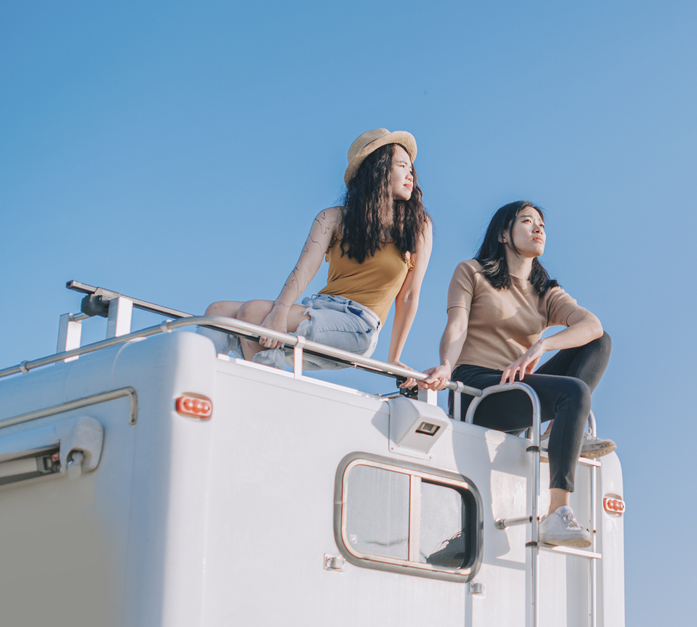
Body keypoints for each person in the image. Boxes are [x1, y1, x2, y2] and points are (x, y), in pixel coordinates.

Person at [421, 201, 612, 548]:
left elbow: (592, 326)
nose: (538, 228)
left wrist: (541, 347)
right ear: (503, 234)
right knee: (574, 394)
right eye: (527, 221)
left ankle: (556, 433)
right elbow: (457, 326)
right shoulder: (472, 271)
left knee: (600, 341)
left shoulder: (544, 291)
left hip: (514, 386)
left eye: (541, 224)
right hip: (477, 390)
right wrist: (446, 366)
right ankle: (558, 513)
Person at [201, 128, 432, 375]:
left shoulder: (417, 227)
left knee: (252, 312)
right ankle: (198, 382)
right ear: (379, 170)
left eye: (411, 169)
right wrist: (280, 312)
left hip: (359, 324)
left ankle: (266, 392)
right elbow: (305, 268)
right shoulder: (332, 218)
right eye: (401, 166)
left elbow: (408, 296)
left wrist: (393, 359)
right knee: (218, 311)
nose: (410, 175)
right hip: (321, 308)